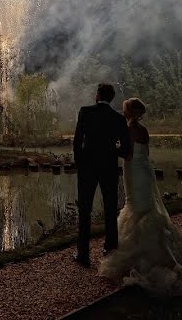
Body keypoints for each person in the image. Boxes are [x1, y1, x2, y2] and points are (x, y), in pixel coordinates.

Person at [99, 97, 182, 296]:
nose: (123, 112)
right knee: (146, 208)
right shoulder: (143, 129)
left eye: (125, 110)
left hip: (134, 172)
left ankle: (143, 256)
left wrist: (113, 146)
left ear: (130, 112)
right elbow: (143, 152)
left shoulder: (129, 129)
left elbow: (127, 155)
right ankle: (162, 249)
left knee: (136, 208)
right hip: (144, 171)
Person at [73, 83, 130, 267]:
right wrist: (114, 150)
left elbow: (77, 141)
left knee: (85, 210)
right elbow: (125, 148)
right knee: (110, 208)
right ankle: (110, 249)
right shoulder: (118, 119)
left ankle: (83, 255)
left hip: (87, 168)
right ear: (111, 98)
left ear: (98, 95)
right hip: (109, 168)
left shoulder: (85, 112)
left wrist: (80, 164)